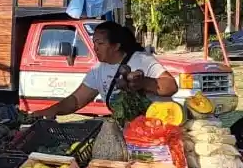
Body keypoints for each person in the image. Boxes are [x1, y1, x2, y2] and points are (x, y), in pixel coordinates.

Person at [29, 21, 177, 119]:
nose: (95, 48)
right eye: (94, 43)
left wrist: (143, 83)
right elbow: (76, 100)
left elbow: (171, 86)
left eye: (100, 43)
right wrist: (52, 110)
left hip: (158, 128)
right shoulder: (98, 70)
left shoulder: (141, 60)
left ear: (116, 46)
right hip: (131, 132)